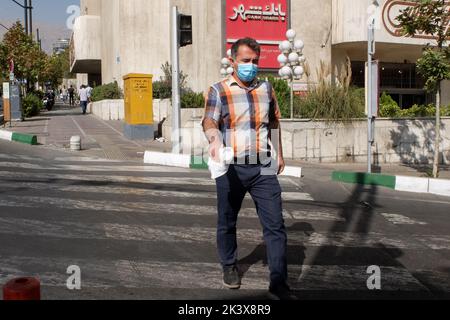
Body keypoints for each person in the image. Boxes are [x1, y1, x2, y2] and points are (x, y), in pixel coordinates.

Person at [202, 38, 294, 300]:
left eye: (255, 61)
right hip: (231, 167)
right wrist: (214, 140)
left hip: (263, 166)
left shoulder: (267, 88)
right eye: (245, 61)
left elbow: (274, 123)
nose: (250, 66)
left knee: (275, 224)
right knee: (227, 221)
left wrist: (279, 154)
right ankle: (229, 265)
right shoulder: (218, 90)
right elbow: (209, 120)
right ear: (232, 61)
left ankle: (278, 282)